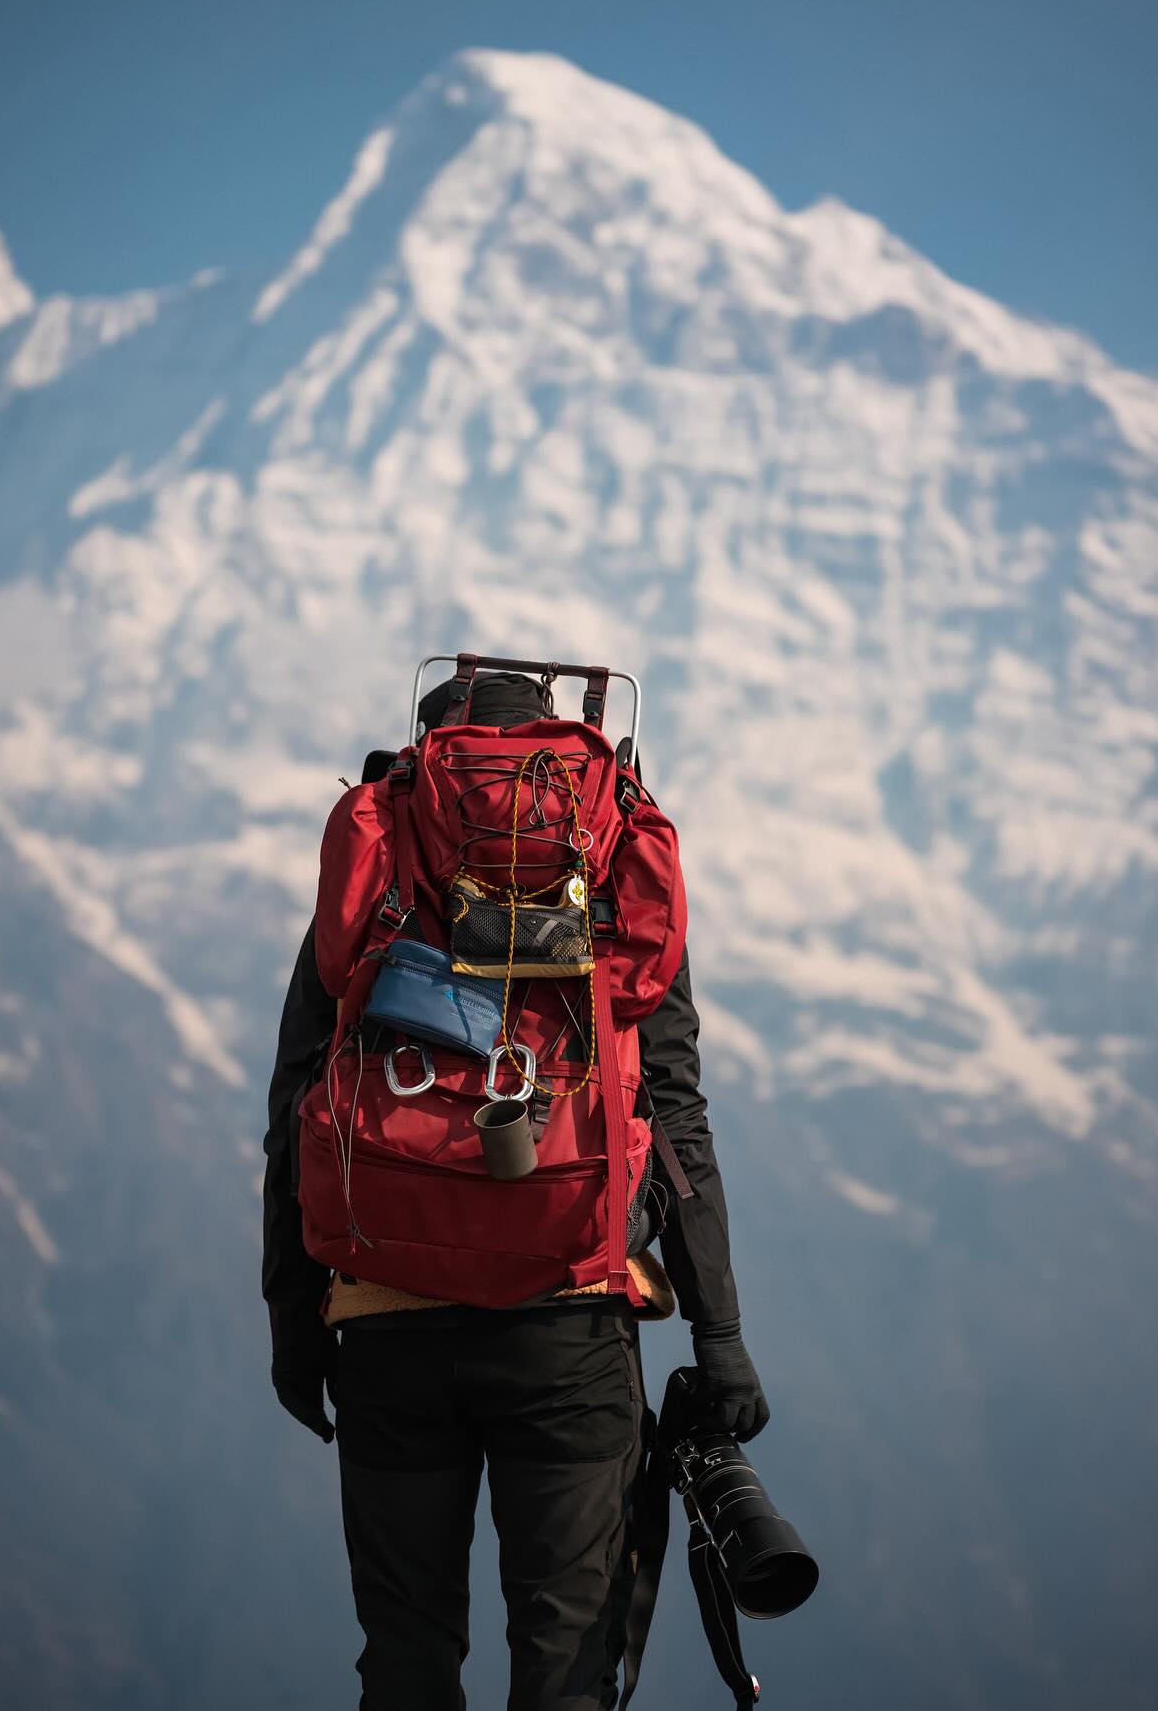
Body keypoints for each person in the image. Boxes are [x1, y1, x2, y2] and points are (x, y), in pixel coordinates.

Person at [262, 668, 768, 1711]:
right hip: (569, 1328)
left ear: (424, 758)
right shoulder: (613, 881)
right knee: (568, 1668)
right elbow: (674, 1118)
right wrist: (717, 1336)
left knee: (405, 1659)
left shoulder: (381, 872)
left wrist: (292, 1318)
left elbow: (297, 1104)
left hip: (387, 1319)